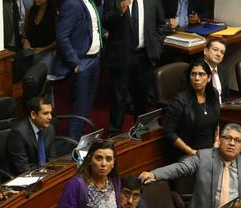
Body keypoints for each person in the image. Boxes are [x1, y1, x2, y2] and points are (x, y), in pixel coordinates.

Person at [102, 0, 165, 135]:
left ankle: (140, 134)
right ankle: (115, 135)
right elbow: (105, 22)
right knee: (118, 99)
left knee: (142, 99)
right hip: (121, 56)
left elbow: (160, 24)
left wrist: (156, 48)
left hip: (144, 55)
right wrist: (120, 10)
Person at [55, 0, 103, 139]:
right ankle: (74, 147)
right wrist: (75, 63)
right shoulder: (71, 4)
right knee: (80, 108)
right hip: (82, 62)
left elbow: (93, 28)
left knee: (87, 106)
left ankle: (82, 140)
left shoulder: (92, 3)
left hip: (95, 59)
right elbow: (62, 36)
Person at [163, 59, 220, 161]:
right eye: (193, 74)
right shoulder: (180, 101)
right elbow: (169, 132)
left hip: (212, 151)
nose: (197, 78)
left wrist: (216, 141)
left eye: (201, 74)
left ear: (209, 78)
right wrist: (191, 152)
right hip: (190, 154)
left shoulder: (213, 94)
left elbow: (217, 122)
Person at [5, 95, 57, 175]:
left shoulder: (50, 128)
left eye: (51, 113)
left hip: (45, 174)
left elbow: (52, 158)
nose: (50, 117)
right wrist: (42, 175)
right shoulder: (18, 134)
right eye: (45, 113)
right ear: (33, 115)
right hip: (25, 178)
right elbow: (23, 168)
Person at [23, 0, 57, 72]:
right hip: (31, 54)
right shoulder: (31, 10)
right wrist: (25, 40)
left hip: (49, 53)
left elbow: (59, 39)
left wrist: (44, 49)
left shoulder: (54, 12)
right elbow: (25, 31)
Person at [202, 37, 229, 103]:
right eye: (215, 50)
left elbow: (225, 97)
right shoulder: (197, 71)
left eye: (222, 52)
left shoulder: (223, 71)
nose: (219, 54)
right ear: (205, 51)